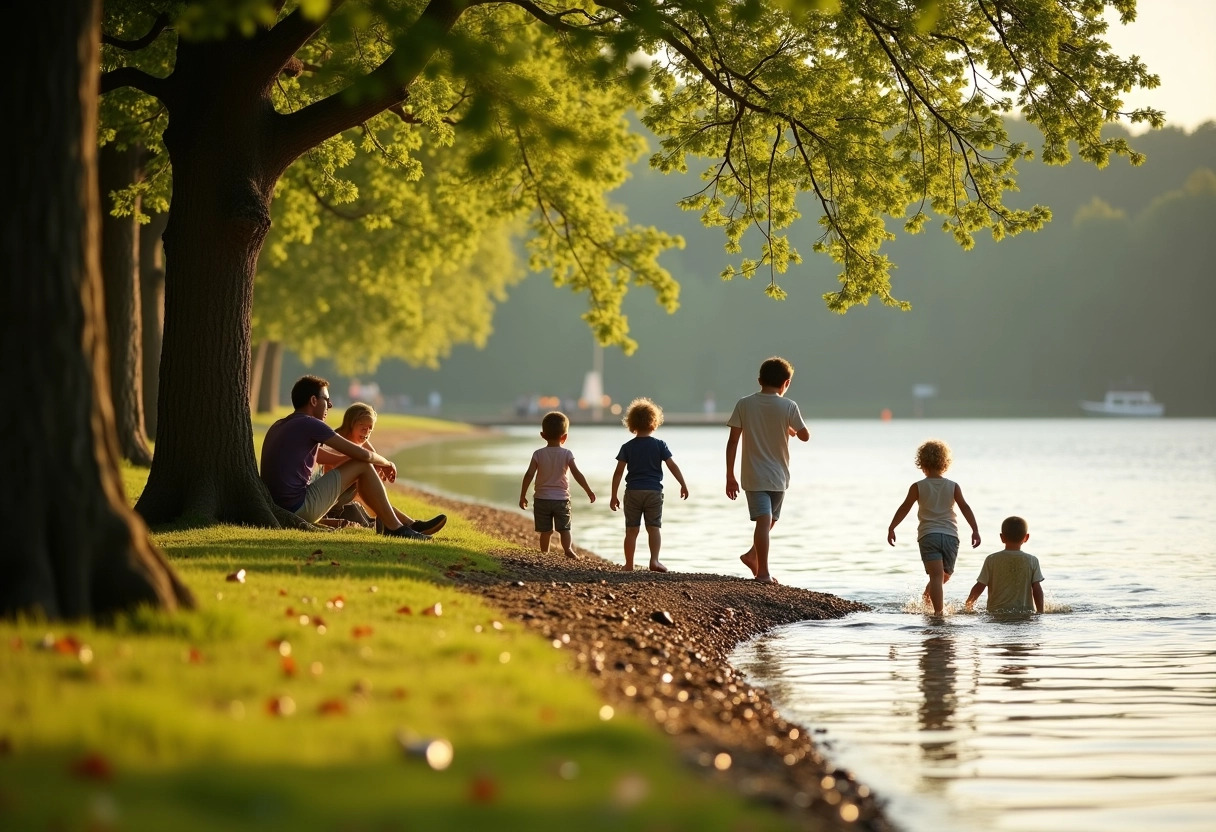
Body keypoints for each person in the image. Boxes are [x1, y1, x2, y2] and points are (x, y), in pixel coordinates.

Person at [259, 376, 442, 539]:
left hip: (281, 507)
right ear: (314, 401)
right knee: (363, 464)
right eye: (327, 401)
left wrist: (350, 466)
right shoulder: (311, 424)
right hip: (298, 508)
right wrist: (387, 463)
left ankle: (401, 524)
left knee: (359, 466)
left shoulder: (281, 425)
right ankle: (395, 528)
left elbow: (321, 457)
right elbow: (361, 454)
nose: (329, 407)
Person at [725, 357, 811, 584]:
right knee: (765, 521)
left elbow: (733, 441)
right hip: (778, 476)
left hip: (753, 475)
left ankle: (752, 556)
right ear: (787, 382)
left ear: (759, 380)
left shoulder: (744, 404)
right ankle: (763, 573)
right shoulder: (789, 406)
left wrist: (730, 476)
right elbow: (805, 436)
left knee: (769, 519)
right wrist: (791, 428)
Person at [321, 402, 447, 535]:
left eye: (370, 428)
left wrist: (384, 466)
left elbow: (373, 457)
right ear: (351, 424)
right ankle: (408, 524)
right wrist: (379, 469)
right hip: (330, 502)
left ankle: (408, 523)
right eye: (363, 427)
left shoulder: (358, 439)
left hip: (344, 496)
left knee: (370, 486)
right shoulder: (338, 442)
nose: (367, 432)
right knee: (366, 485)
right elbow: (341, 472)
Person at [886, 439, 981, 614]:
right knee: (942, 575)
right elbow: (965, 507)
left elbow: (904, 507)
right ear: (945, 463)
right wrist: (975, 530)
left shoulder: (918, 486)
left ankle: (931, 603)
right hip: (950, 536)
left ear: (922, 463)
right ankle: (938, 611)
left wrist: (892, 527)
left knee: (940, 576)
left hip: (929, 536)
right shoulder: (952, 486)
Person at [609, 398, 689, 572]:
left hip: (633, 492)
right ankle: (654, 561)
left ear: (632, 423)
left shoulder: (627, 447)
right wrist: (682, 483)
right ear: (654, 422)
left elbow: (618, 473)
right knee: (654, 528)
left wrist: (614, 495)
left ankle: (629, 564)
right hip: (653, 492)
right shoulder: (659, 445)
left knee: (631, 530)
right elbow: (672, 465)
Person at [518, 411, 595, 557]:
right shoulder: (567, 454)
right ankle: (568, 550)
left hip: (542, 499)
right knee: (565, 528)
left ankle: (544, 553)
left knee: (545, 531)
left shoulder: (538, 454)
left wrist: (523, 495)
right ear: (564, 437)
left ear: (543, 435)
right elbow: (577, 474)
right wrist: (588, 491)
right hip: (561, 499)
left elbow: (529, 475)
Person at [965, 516, 1045, 613]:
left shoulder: (991, 559)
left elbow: (980, 586)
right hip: (1025, 614)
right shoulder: (1032, 560)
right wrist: (1040, 611)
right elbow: (1037, 588)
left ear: (1002, 537)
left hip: (996, 614)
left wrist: (968, 606)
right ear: (1026, 537)